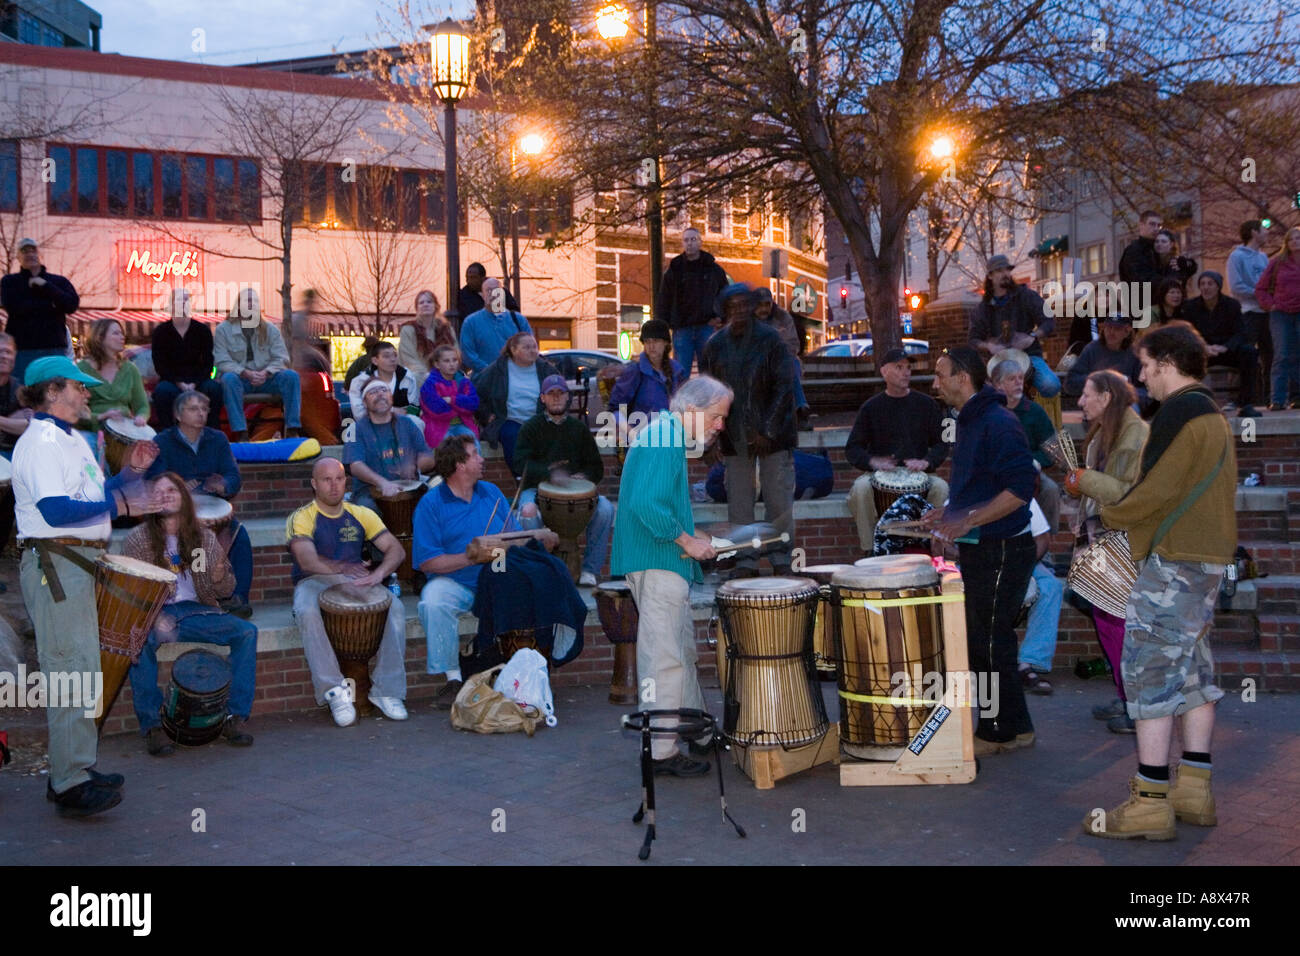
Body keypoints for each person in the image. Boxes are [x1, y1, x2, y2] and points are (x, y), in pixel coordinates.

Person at [1082, 323, 1235, 840]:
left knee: (1147, 675)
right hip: (1205, 561)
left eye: (1146, 367)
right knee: (1192, 675)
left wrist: (1111, 509)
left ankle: (1150, 802)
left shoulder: (1180, 413)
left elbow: (1154, 493)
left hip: (1173, 563)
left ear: (1168, 363)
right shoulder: (1211, 414)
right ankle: (1194, 790)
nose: (1143, 379)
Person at [13, 356, 161, 816]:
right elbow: (56, 512)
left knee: (80, 670)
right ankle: (69, 781)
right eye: (78, 387)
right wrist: (120, 500)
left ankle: (73, 769)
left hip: (75, 562)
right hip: (57, 565)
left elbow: (93, 499)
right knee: (70, 671)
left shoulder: (70, 439)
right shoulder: (40, 442)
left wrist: (128, 476)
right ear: (53, 391)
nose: (87, 394)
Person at [611, 375, 732, 776]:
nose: (720, 426)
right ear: (692, 411)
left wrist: (698, 537)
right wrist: (687, 541)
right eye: (716, 416)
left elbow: (655, 505)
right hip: (658, 561)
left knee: (680, 652)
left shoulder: (664, 436)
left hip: (661, 560)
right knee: (665, 657)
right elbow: (647, 507)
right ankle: (661, 751)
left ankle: (694, 730)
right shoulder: (664, 438)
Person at [922, 346, 1038, 756]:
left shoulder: (997, 422)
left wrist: (967, 521)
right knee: (988, 640)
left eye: (941, 375)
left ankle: (998, 731)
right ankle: (1014, 726)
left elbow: (1021, 489)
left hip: (1003, 548)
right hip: (985, 547)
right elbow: (982, 487)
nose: (935, 385)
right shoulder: (973, 420)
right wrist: (948, 513)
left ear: (963, 378)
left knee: (989, 641)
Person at [124, 472, 257, 755]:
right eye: (158, 492)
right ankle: (153, 726)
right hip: (156, 613)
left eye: (172, 490)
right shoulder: (138, 540)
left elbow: (224, 590)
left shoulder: (203, 537)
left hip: (196, 612)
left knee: (247, 632)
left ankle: (234, 716)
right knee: (138, 640)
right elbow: (132, 591)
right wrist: (146, 619)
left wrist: (220, 574)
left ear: (184, 498)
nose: (165, 495)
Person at [286, 458, 409, 727]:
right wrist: (341, 566)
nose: (333, 485)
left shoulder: (361, 513)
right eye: (326, 480)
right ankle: (334, 690)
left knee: (396, 608)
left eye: (339, 479)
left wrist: (378, 574)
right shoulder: (302, 517)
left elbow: (396, 551)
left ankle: (388, 690)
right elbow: (306, 560)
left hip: (353, 580)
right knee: (307, 611)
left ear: (346, 482)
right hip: (314, 580)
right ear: (314, 484)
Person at [1063, 369, 1150, 733]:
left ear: (1107, 397)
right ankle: (1125, 693)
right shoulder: (1105, 432)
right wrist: (1077, 509)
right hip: (1104, 538)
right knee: (1108, 620)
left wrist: (1081, 479)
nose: (1080, 402)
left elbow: (1123, 492)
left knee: (1117, 622)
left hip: (1124, 540)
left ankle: (1136, 706)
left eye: (1086, 394)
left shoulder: (1135, 435)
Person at [414, 434, 525, 709]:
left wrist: (508, 545)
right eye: (475, 454)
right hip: (456, 580)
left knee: (532, 584)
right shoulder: (431, 504)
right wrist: (471, 556)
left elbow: (517, 536)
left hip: (497, 573)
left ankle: (524, 673)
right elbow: (428, 562)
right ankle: (453, 678)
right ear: (460, 465)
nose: (481, 458)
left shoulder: (491, 492)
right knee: (433, 600)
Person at [699, 283, 797, 575]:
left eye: (745, 305)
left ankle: (781, 558)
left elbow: (784, 388)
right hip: (734, 434)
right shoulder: (715, 345)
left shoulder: (772, 340)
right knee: (739, 503)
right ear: (726, 310)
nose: (740, 311)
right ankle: (745, 560)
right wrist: (711, 437)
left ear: (753, 307)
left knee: (778, 500)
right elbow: (708, 395)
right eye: (734, 306)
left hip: (773, 435)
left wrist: (767, 431)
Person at [143, 389, 255, 617]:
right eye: (194, 409)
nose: (200, 414)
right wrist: (179, 487)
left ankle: (238, 599)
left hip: (213, 511)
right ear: (178, 414)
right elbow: (151, 479)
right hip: (177, 515)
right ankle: (199, 599)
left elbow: (233, 476)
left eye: (204, 409)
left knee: (240, 537)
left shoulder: (218, 439)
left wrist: (223, 485)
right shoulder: (162, 441)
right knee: (195, 544)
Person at [845, 347, 950, 554]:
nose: (906, 372)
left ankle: (935, 548)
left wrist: (927, 462)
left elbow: (941, 444)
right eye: (899, 367)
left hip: (919, 474)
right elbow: (853, 448)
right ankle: (869, 550)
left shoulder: (926, 405)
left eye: (908, 368)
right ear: (884, 372)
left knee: (941, 487)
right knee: (860, 489)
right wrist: (873, 462)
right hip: (878, 476)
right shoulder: (871, 407)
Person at [514, 374, 615, 587]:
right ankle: (538, 570)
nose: (556, 398)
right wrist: (549, 474)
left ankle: (590, 570)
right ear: (543, 398)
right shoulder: (531, 428)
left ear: (568, 397)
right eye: (551, 394)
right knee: (527, 511)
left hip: (575, 495)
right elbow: (520, 465)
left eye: (561, 393)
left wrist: (584, 477)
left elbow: (596, 467)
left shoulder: (578, 429)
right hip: (536, 489)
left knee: (605, 509)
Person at [212, 288, 303, 442]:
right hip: (240, 379)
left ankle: (292, 429)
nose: (251, 304)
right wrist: (243, 372)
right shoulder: (223, 330)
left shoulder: (270, 329)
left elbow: (282, 358)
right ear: (238, 305)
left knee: (291, 376)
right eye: (247, 301)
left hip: (267, 379)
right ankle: (241, 432)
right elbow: (221, 360)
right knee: (228, 379)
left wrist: (267, 372)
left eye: (254, 301)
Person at [969, 254, 1061, 398]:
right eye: (999, 270)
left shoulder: (1027, 296)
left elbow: (1049, 321)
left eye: (1007, 270)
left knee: (1051, 385)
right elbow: (973, 339)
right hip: (998, 361)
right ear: (990, 276)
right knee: (978, 395)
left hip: (1029, 356)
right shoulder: (983, 308)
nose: (1005, 274)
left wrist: (1032, 337)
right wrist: (989, 346)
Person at [989, 355, 1061, 534]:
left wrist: (1031, 460)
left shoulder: (1035, 411)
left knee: (1051, 489)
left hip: (1029, 472)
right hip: (994, 473)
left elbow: (1053, 451)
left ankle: (1046, 545)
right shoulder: (988, 411)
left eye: (1020, 378)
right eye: (1012, 379)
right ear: (998, 384)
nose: (1018, 383)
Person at [473, 332, 559, 475]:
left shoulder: (546, 369)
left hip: (540, 418)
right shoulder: (498, 369)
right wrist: (486, 415)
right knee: (512, 438)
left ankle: (546, 480)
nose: (532, 350)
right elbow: (476, 393)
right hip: (509, 419)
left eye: (534, 347)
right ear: (513, 350)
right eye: (526, 347)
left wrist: (555, 410)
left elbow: (563, 392)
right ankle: (522, 479)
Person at [343, 379, 435, 514]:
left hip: (409, 487)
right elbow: (356, 465)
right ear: (364, 402)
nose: (380, 394)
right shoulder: (356, 429)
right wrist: (382, 483)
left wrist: (415, 466)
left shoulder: (407, 423)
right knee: (368, 511)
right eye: (373, 392)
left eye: (384, 390)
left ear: (391, 398)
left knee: (436, 499)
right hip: (369, 492)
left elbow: (428, 457)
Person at [1182, 271, 1261, 417]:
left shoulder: (1232, 305)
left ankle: (1245, 403)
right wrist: (1203, 347)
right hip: (1202, 352)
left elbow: (1241, 333)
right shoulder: (1191, 306)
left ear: (1218, 286)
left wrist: (1226, 347)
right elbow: (1187, 333)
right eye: (1202, 284)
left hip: (1225, 350)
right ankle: (1190, 403)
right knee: (1183, 355)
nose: (1206, 287)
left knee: (1249, 352)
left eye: (1210, 283)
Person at [1, 238, 80, 382]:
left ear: (40, 254)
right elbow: (14, 307)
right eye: (25, 251)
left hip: (54, 350)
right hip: (22, 352)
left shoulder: (58, 282)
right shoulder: (9, 282)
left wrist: (45, 285)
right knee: (21, 395)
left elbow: (71, 305)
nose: (30, 254)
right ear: (18, 257)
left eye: (33, 250)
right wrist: (52, 305)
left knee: (55, 395)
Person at [655, 227, 729, 375]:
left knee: (708, 372)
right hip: (682, 328)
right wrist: (664, 326)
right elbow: (664, 299)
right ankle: (682, 399)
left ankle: (708, 398)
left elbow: (725, 295)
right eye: (686, 240)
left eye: (693, 239)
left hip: (706, 327)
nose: (689, 243)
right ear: (682, 243)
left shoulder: (714, 270)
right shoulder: (674, 270)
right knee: (680, 373)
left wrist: (721, 318)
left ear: (700, 242)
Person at [151, 288, 223, 429]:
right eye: (179, 300)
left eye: (186, 300)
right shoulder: (160, 332)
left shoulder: (202, 330)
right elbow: (160, 365)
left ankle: (211, 432)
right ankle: (168, 433)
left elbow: (208, 362)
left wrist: (195, 383)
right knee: (162, 392)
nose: (183, 304)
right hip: (172, 381)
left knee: (214, 389)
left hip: (199, 380)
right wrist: (179, 383)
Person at [76, 318, 150, 449]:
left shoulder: (130, 368)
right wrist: (101, 416)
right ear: (99, 337)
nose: (122, 337)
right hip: (92, 431)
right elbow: (75, 410)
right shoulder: (81, 369)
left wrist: (141, 417)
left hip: (125, 431)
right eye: (116, 333)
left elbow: (142, 406)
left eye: (122, 333)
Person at [607, 318, 686, 436]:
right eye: (647, 341)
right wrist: (632, 434)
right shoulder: (635, 371)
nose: (651, 346)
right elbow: (615, 408)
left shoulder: (677, 372)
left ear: (665, 343)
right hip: (642, 441)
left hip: (671, 438)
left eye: (656, 340)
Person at [1019, 495, 1065, 696]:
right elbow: (943, 544)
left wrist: (1023, 568)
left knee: (1051, 587)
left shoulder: (1020, 494)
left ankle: (1028, 663)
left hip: (1019, 559)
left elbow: (1042, 538)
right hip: (975, 563)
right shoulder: (964, 493)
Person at [1227, 219, 1272, 405]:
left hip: (1267, 313)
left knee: (1270, 355)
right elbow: (1237, 287)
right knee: (1245, 353)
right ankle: (1238, 398)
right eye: (1264, 230)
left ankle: (1269, 397)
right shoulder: (1236, 256)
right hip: (1248, 312)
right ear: (1254, 232)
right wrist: (1259, 295)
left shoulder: (1263, 258)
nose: (1267, 233)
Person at [1256, 224, 1300, 411]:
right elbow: (1260, 288)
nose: (1296, 242)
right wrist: (1270, 304)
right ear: (1287, 243)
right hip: (1281, 312)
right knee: (1282, 355)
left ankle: (1297, 397)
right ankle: (1278, 399)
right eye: (1292, 239)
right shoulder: (1277, 262)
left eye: (1299, 238)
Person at [754, 288, 811, 425]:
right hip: (756, 362)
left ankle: (800, 409)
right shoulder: (749, 320)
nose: (763, 309)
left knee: (791, 364)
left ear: (772, 304)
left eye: (767, 305)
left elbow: (793, 344)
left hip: (781, 359)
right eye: (760, 305)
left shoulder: (783, 317)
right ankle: (800, 408)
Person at [1064, 315, 1145, 406]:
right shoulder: (1091, 349)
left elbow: (1145, 391)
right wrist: (1098, 379)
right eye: (1108, 327)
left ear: (1127, 332)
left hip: (1124, 403)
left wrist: (1127, 392)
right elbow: (1070, 383)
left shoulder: (1134, 353)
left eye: (1117, 329)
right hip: (1097, 401)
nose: (1111, 332)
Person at [460, 277, 532, 374]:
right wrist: (490, 371)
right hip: (483, 382)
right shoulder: (470, 323)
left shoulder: (519, 320)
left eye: (496, 290)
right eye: (488, 290)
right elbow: (467, 355)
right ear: (482, 295)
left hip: (516, 379)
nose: (493, 294)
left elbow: (530, 348)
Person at [0, 333, 32, 549]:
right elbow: (21, 422)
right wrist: (11, 421)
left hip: (12, 455)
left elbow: (31, 423)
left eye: (8, 351)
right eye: (0, 351)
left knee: (18, 484)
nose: (4, 356)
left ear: (14, 357)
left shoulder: (20, 389)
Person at [420, 344, 480, 450]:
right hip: (438, 427)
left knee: (474, 446)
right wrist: (461, 406)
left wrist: (452, 400)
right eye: (446, 361)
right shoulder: (430, 383)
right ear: (437, 364)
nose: (452, 364)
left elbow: (474, 404)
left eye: (454, 360)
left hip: (463, 424)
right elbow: (436, 409)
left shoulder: (464, 382)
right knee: (445, 450)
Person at [400, 289, 457, 391]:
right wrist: (428, 375)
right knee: (417, 378)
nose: (425, 305)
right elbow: (408, 358)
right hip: (418, 375)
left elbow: (455, 352)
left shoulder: (446, 329)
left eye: (429, 302)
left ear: (435, 306)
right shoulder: (408, 329)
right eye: (421, 302)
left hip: (444, 373)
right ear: (417, 308)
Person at [348, 340, 420, 418]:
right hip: (371, 427)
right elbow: (359, 413)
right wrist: (392, 410)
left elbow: (414, 408)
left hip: (402, 425)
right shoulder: (361, 381)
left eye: (395, 355)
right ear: (375, 361)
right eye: (386, 356)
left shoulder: (407, 377)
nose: (392, 359)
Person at [1118, 210, 1164, 288]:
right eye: (1152, 224)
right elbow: (1141, 280)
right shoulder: (1134, 251)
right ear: (1141, 225)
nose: (1156, 228)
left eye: (1159, 225)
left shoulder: (1157, 250)